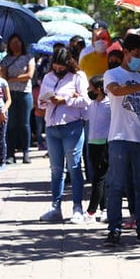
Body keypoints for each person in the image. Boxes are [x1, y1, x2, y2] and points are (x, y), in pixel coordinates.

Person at [103, 34, 140, 246]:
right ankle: (114, 229)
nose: (138, 59)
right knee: (117, 185)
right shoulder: (112, 74)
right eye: (135, 54)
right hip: (119, 137)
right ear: (125, 53)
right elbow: (117, 92)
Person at [38, 47, 90, 223]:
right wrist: (47, 100)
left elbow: (86, 100)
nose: (58, 70)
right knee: (56, 170)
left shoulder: (78, 77)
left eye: (61, 67)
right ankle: (55, 207)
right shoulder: (48, 77)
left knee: (74, 168)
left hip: (72, 126)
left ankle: (77, 208)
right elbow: (41, 103)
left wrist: (65, 100)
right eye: (56, 66)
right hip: (52, 127)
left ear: (68, 63)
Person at [0, 34, 36, 163]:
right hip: (9, 94)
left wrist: (12, 79)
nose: (15, 44)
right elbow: (2, 76)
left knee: (24, 124)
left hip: (24, 93)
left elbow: (29, 75)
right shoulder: (6, 59)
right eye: (13, 42)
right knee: (11, 125)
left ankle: (26, 151)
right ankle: (10, 153)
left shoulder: (28, 58)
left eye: (18, 42)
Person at [85, 75, 110, 222]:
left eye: (90, 88)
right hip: (92, 143)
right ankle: (104, 208)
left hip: (104, 144)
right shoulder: (92, 104)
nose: (88, 90)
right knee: (97, 176)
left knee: (99, 178)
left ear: (99, 89)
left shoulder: (109, 105)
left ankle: (91, 211)